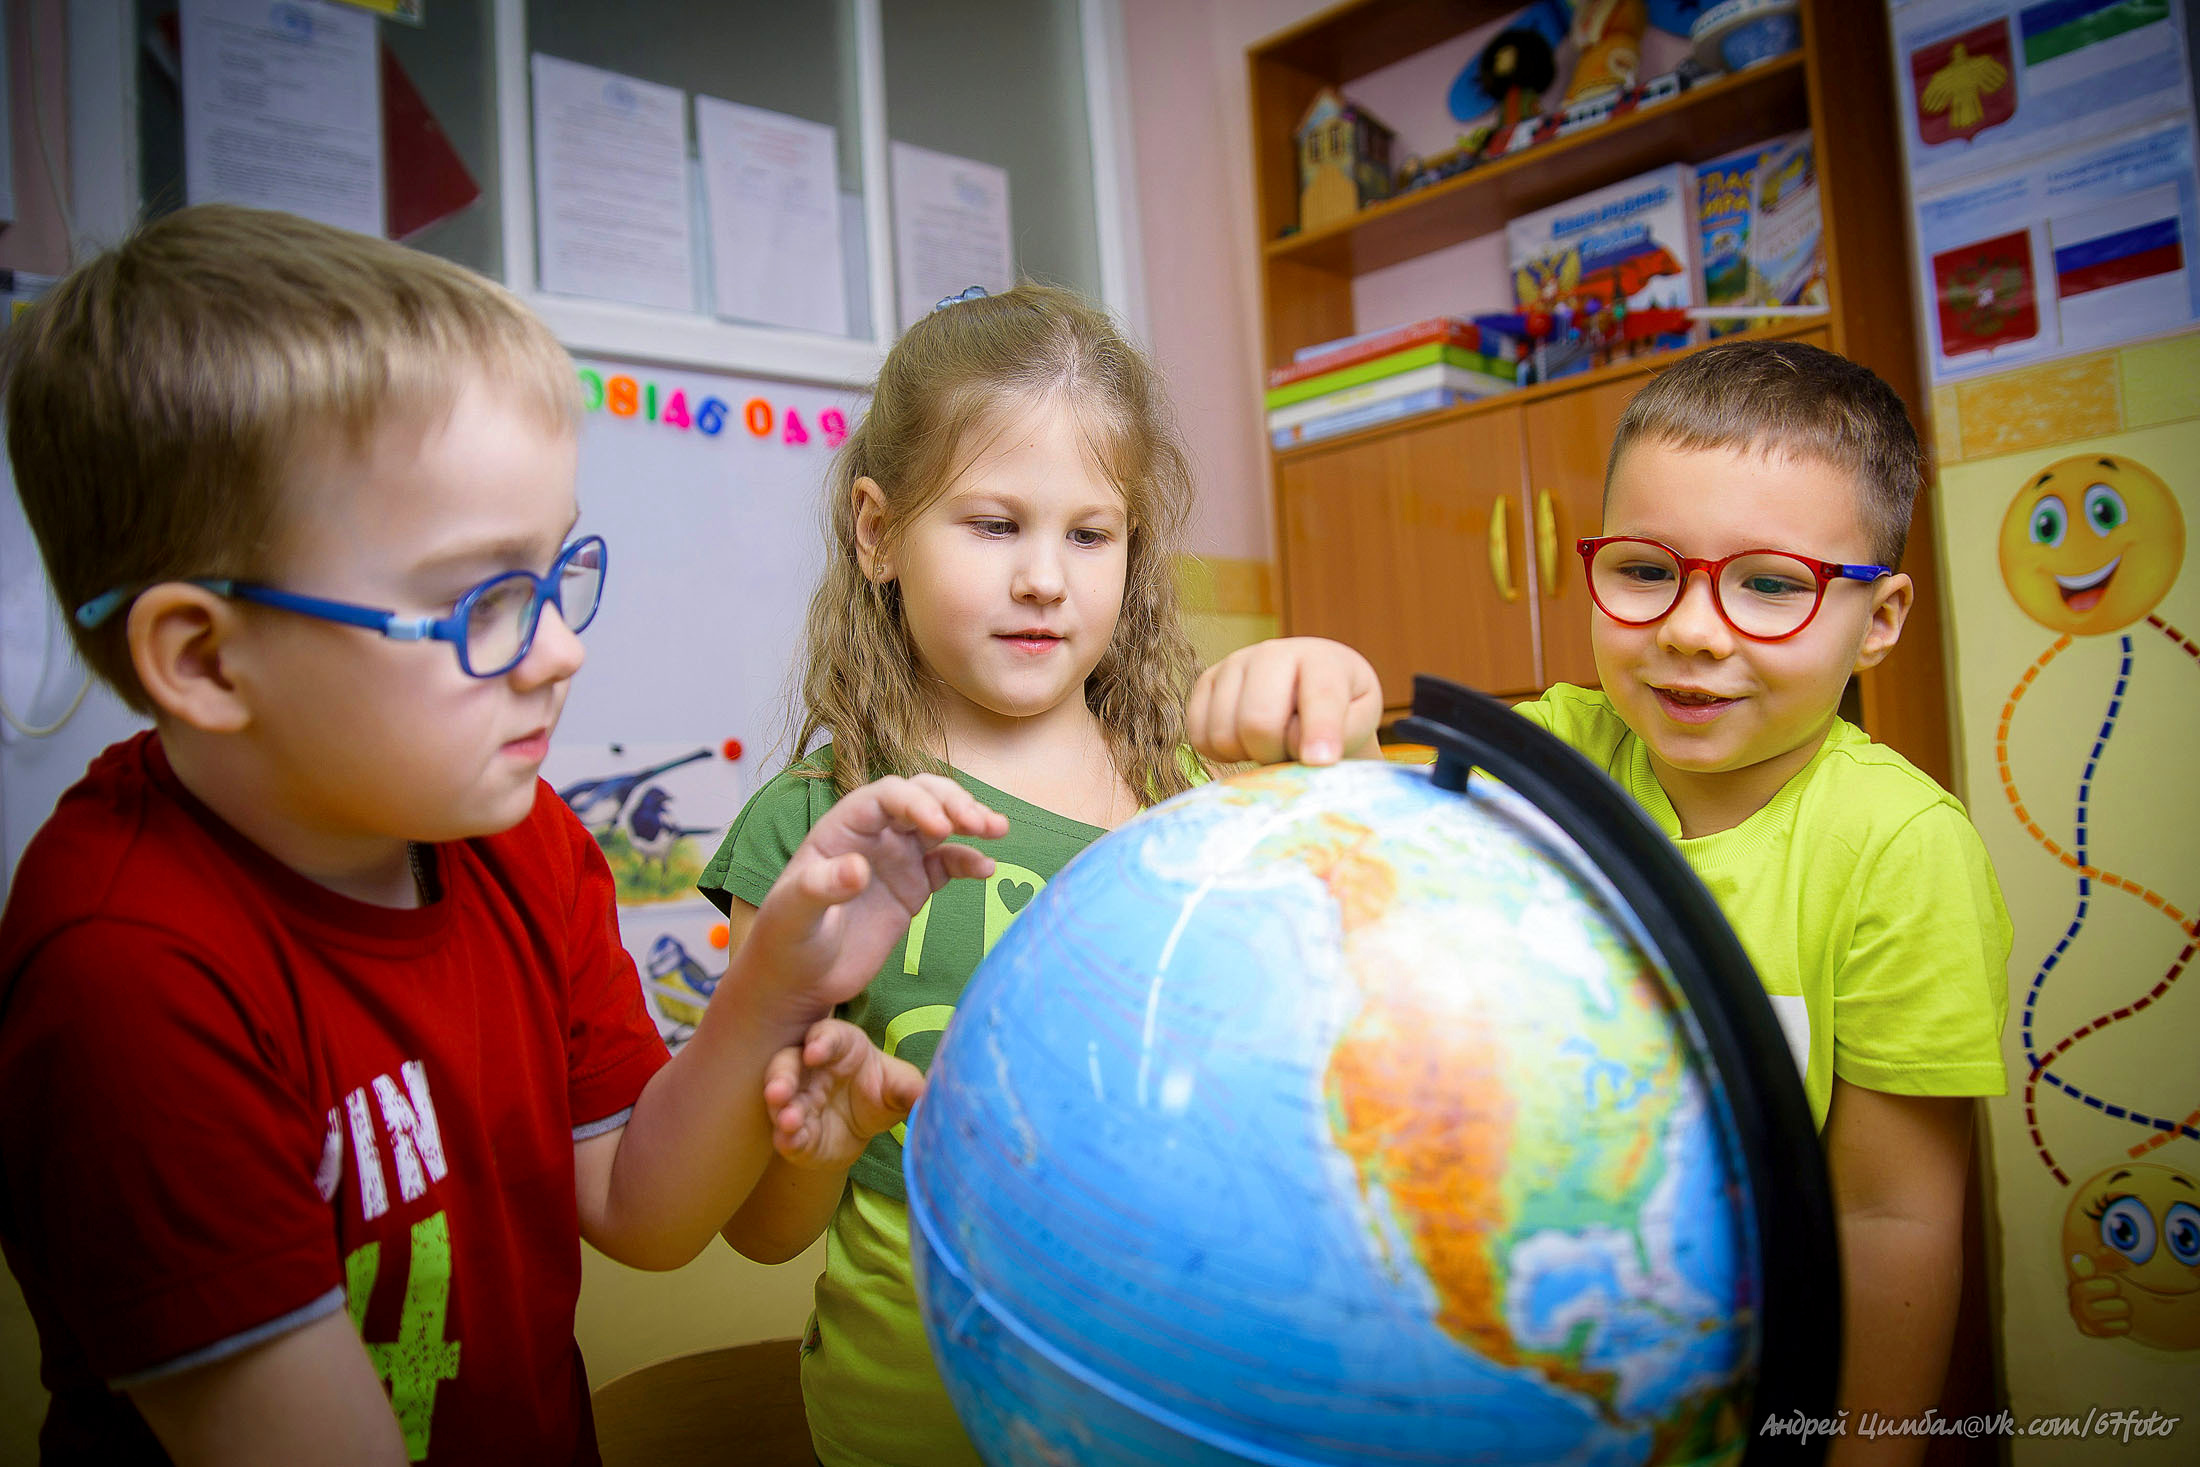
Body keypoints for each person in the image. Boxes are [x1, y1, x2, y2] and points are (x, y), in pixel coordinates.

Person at [0, 204, 1006, 1466]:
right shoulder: (127, 974)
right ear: (204, 658)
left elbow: (635, 1208)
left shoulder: (517, 840)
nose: (565, 648)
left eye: (554, 575)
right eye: (486, 601)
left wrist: (771, 993)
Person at [1221, 340, 2004, 1465]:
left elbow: (1889, 1222)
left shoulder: (1900, 851)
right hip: (1522, 1380)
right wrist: (1310, 699)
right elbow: (1359, 808)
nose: (1692, 628)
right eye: (1645, 571)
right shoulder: (1550, 753)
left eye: (1770, 585)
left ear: (1879, 621)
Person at [701, 283, 1381, 1466]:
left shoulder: (1198, 794)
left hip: (1177, 1411)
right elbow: (759, 1233)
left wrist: (1338, 717)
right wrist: (824, 1138)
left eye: (1088, 533)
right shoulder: (812, 834)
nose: (1044, 580)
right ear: (876, 532)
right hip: (908, 1424)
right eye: (994, 524)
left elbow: (1359, 992)